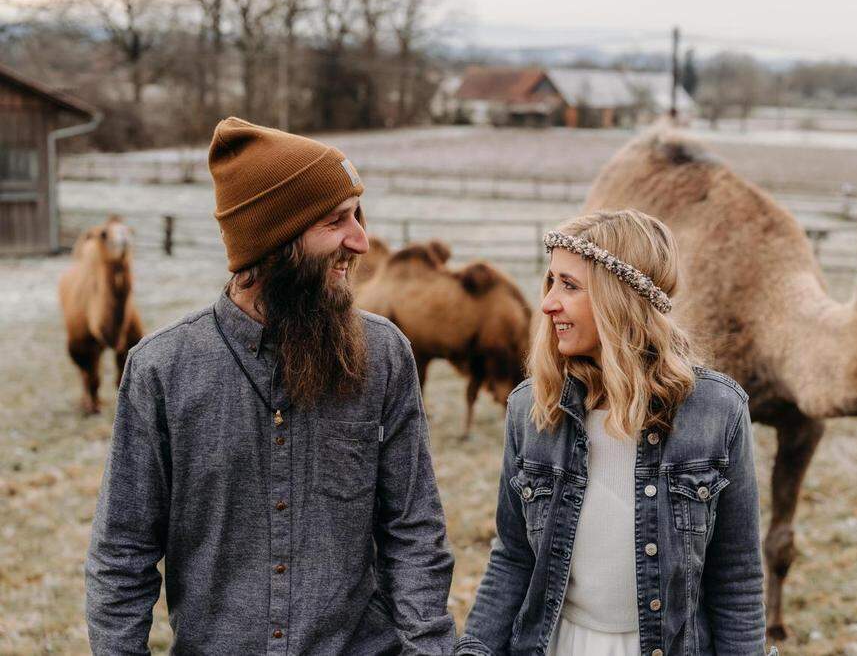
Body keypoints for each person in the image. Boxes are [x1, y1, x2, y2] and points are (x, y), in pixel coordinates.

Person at [85, 117, 456, 654]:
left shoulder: (385, 354)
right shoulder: (162, 371)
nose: (361, 240)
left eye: (358, 216)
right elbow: (122, 555)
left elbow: (415, 533)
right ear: (274, 241)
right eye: (337, 221)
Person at [456, 210, 771, 655]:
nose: (547, 303)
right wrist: (474, 649)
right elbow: (513, 557)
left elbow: (736, 576)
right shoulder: (531, 408)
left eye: (569, 285)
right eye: (550, 282)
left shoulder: (717, 413)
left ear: (617, 298)